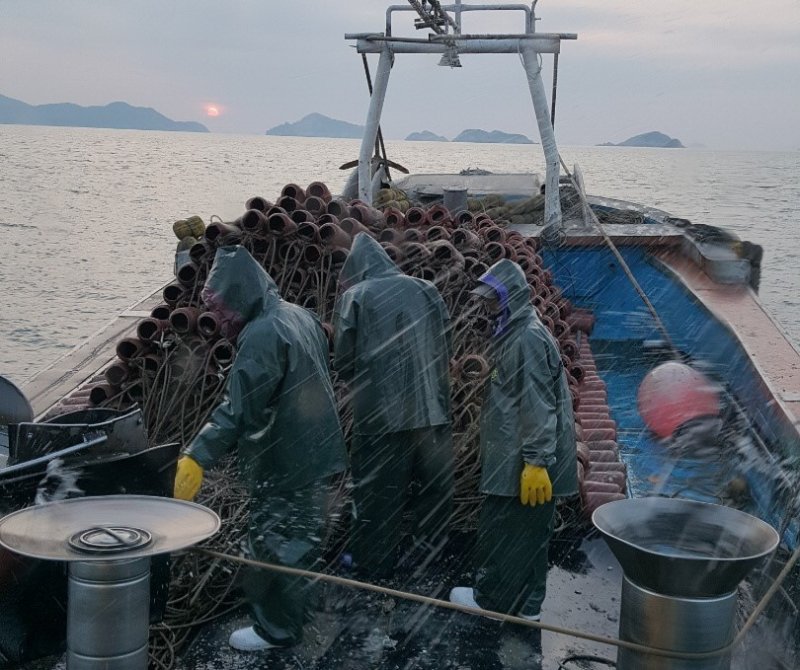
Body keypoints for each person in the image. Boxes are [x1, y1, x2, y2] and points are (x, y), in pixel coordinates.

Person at [173, 245, 347, 652]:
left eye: (220, 307)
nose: (217, 319)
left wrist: (197, 457)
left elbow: (237, 408)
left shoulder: (263, 333)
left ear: (240, 294)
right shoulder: (297, 314)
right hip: (317, 449)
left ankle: (277, 631)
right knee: (301, 538)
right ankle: (295, 612)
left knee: (275, 544)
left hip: (287, 459)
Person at [449, 258, 577, 621]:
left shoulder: (527, 338)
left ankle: (493, 602)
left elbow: (538, 405)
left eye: (492, 299)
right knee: (529, 533)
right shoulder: (515, 332)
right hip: (518, 450)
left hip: (523, 456)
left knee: (506, 530)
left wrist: (536, 463)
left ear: (511, 297)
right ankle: (526, 606)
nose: (487, 305)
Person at [333, 232, 453, 577]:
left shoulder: (356, 296)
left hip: (380, 419)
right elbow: (447, 344)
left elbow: (344, 361)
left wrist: (366, 385)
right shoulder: (427, 290)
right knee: (434, 492)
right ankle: (427, 561)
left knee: (376, 496)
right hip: (432, 413)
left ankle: (373, 567)